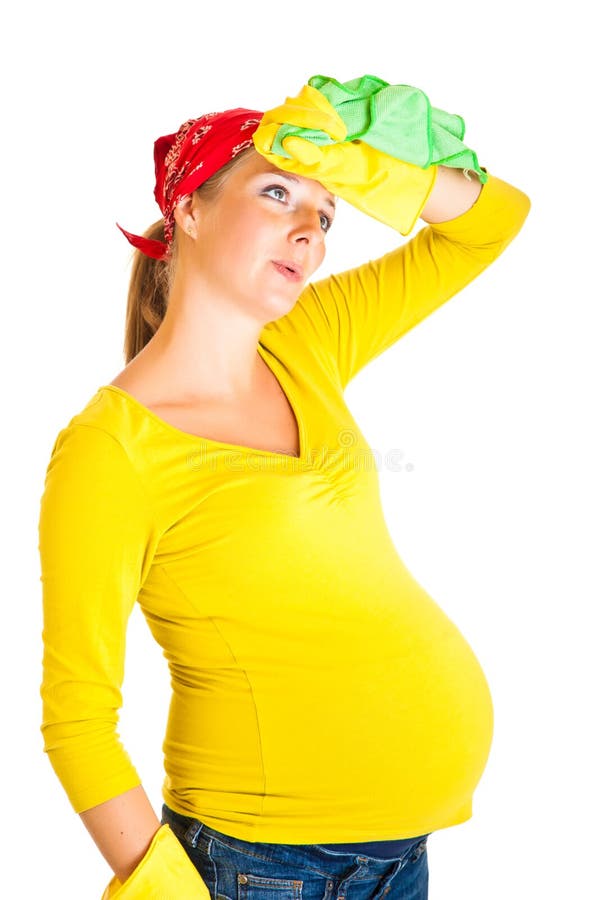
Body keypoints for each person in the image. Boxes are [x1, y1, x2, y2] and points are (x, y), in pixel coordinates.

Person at [38, 77, 531, 899]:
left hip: (399, 854)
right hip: (264, 870)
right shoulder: (107, 451)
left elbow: (491, 221)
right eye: (278, 193)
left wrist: (361, 162)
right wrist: (172, 888)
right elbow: (77, 720)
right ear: (189, 209)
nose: (310, 230)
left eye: (327, 214)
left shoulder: (305, 342)